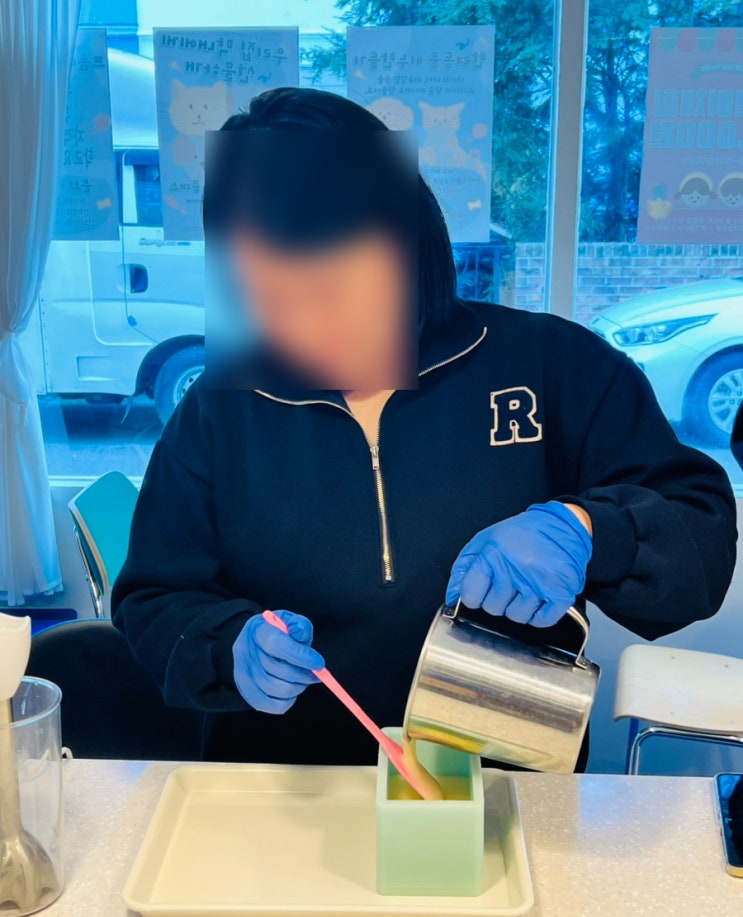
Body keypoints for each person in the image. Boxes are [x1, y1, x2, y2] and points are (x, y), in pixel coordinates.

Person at [112, 87, 737, 770]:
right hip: (289, 792)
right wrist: (227, 647)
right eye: (270, 299)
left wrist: (589, 530)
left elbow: (699, 536)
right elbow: (154, 597)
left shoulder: (552, 365)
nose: (305, 329)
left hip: (505, 785)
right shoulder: (222, 408)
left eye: (330, 290)